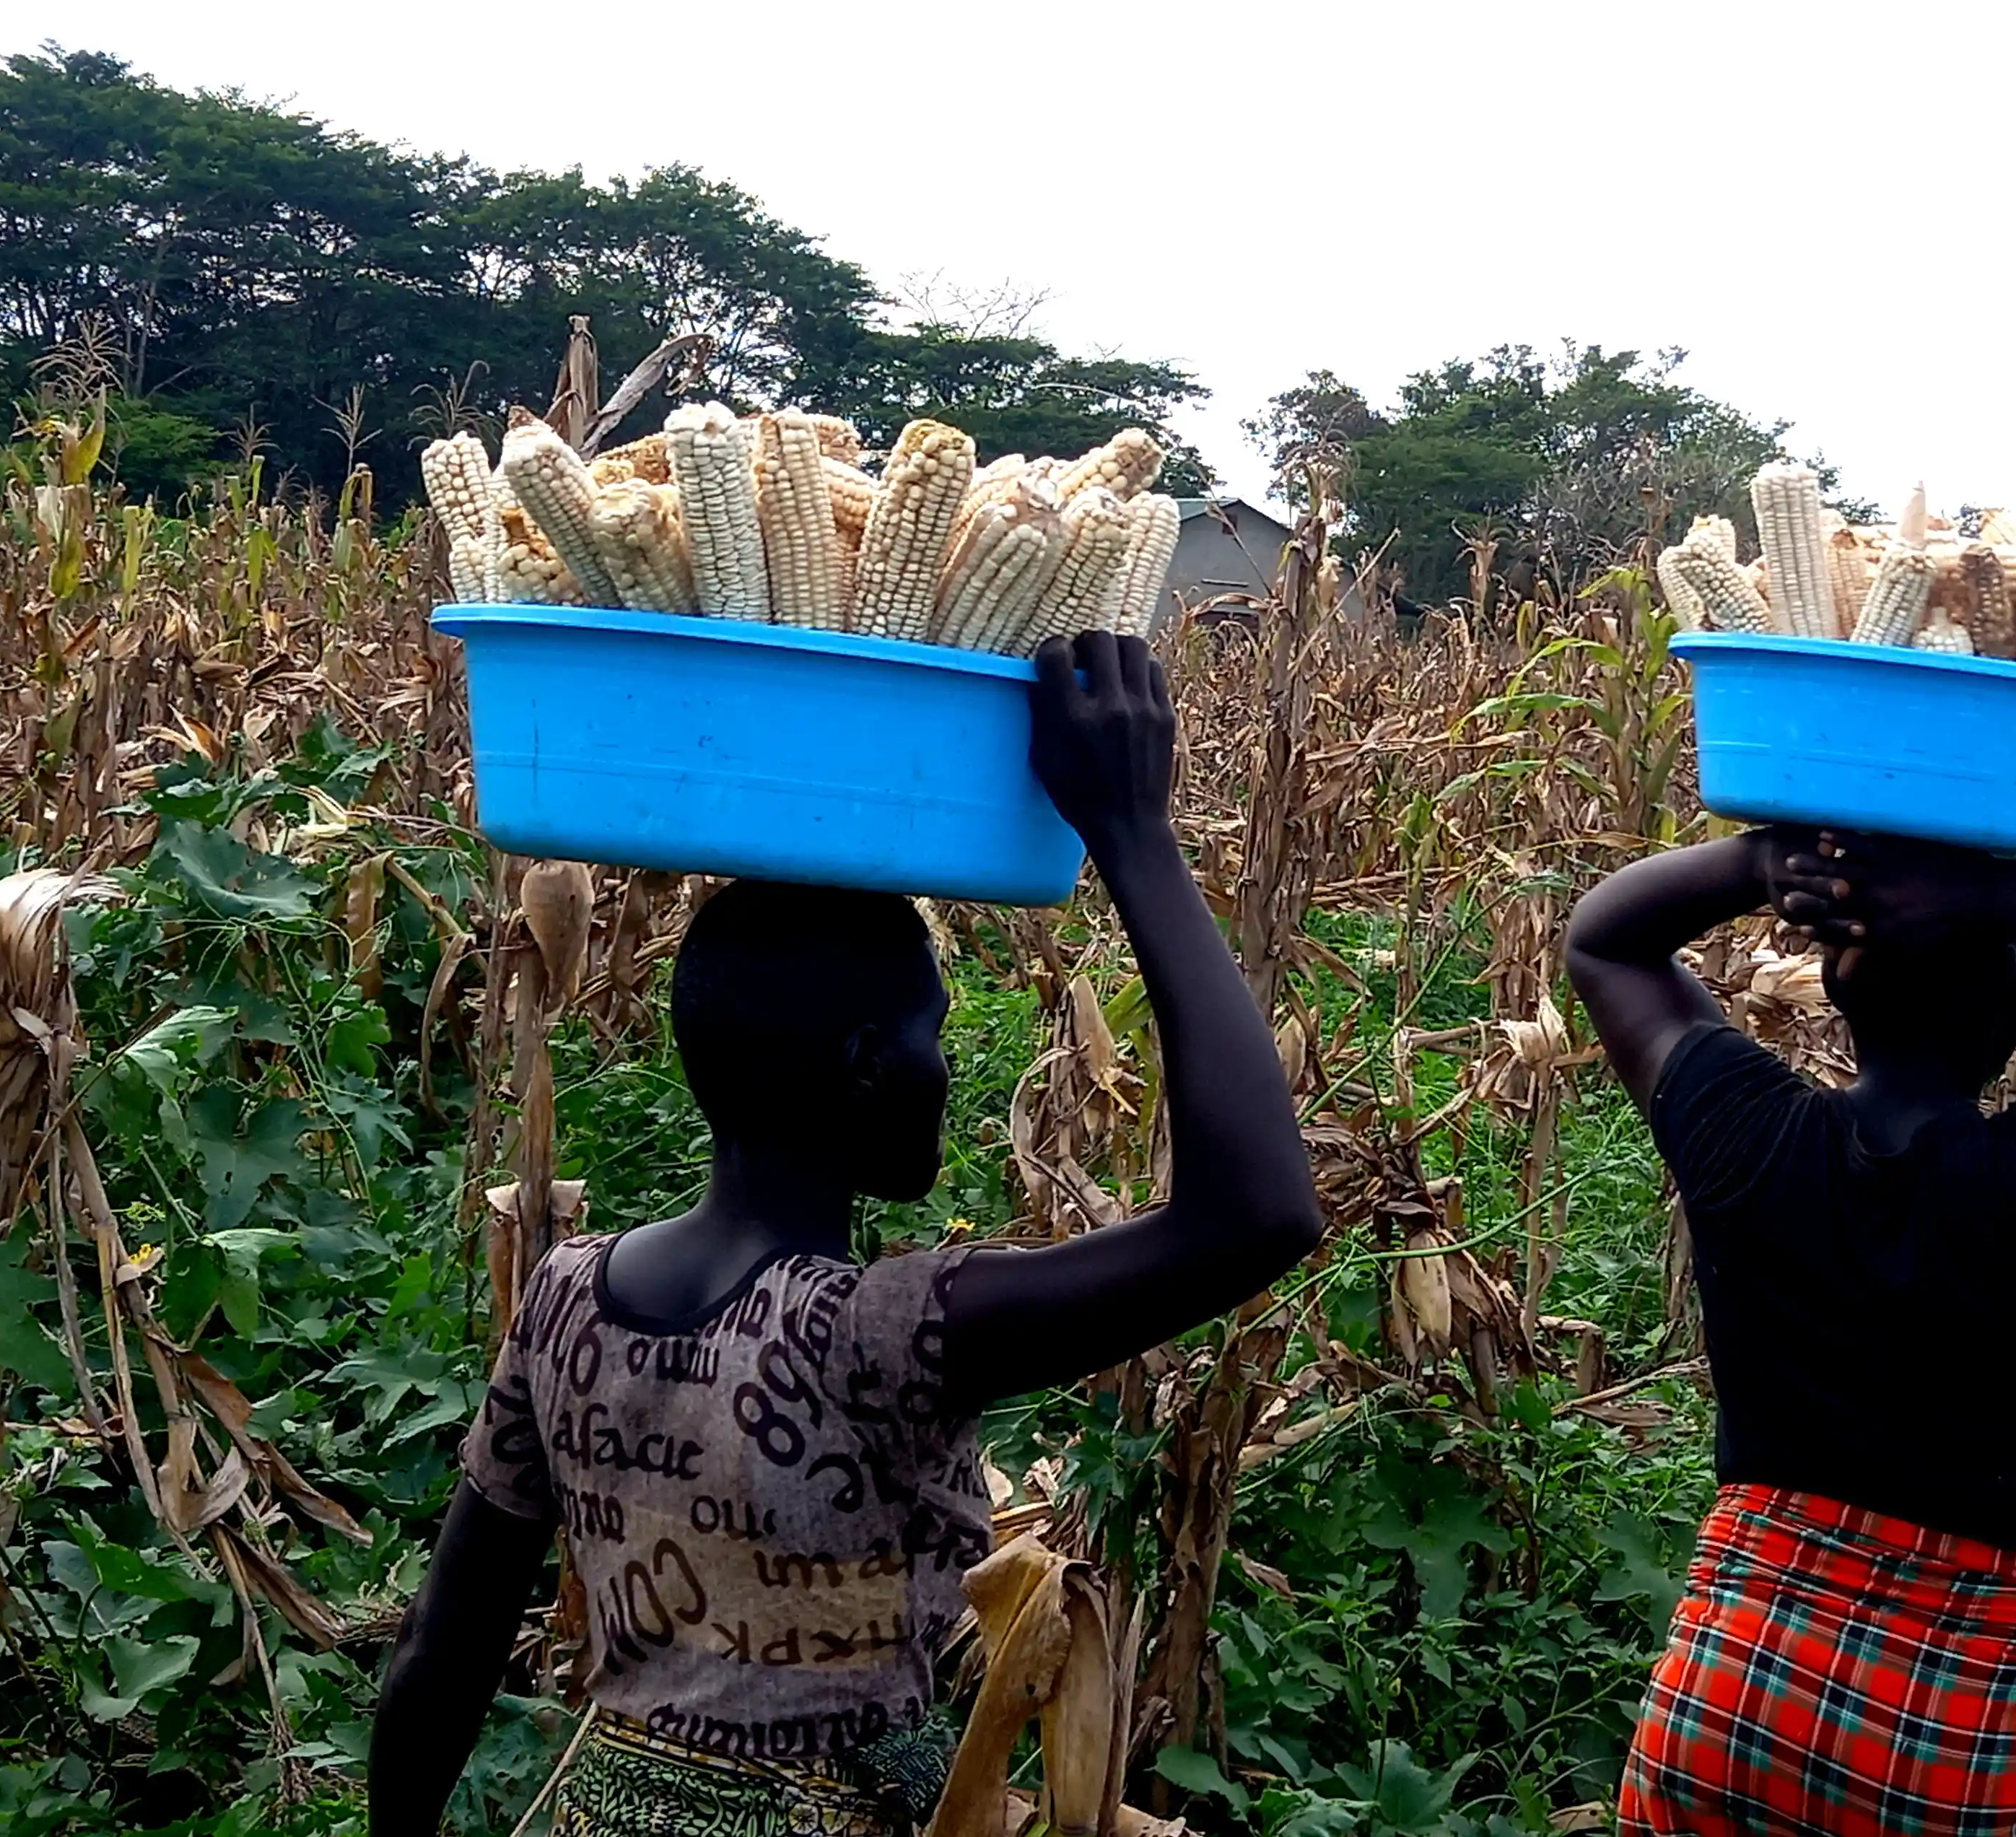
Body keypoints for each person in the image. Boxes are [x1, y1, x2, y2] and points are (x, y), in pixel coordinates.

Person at [368, 631, 1324, 1836]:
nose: (950, 1069)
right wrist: (1135, 834)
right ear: (869, 1064)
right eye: (936, 1034)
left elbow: (441, 1655)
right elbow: (1260, 1212)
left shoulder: (563, 1297)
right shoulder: (879, 1334)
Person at [1567, 821, 2016, 1836]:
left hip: (1731, 1705)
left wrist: (1763, 864)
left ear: (1842, 989)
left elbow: (1602, 938)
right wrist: (1992, 894)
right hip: (1965, 1739)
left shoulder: (1746, 1135)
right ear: (2008, 1022)